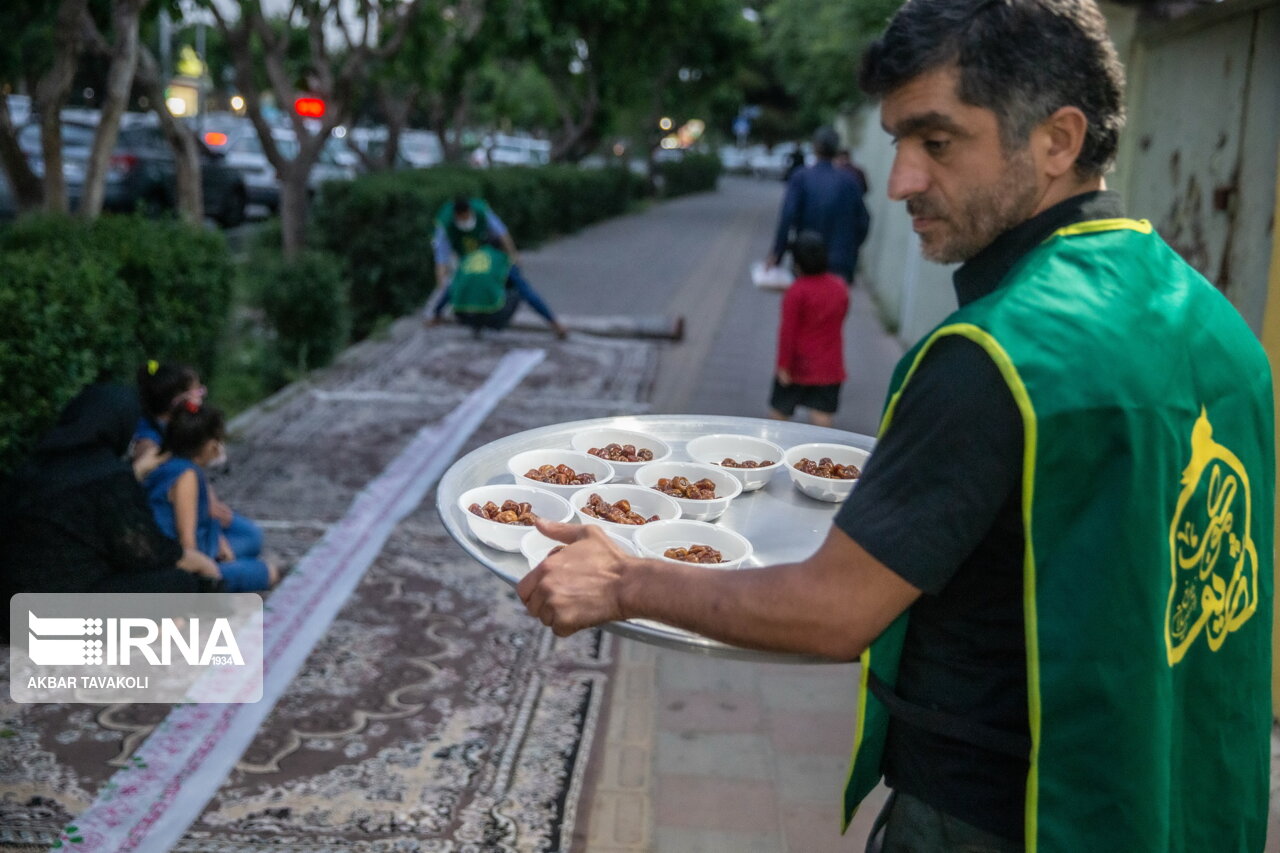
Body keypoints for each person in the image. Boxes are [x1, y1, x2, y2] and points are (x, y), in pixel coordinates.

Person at [515, 0, 1275, 850]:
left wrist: (625, 580)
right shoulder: (1215, 325)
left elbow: (834, 611)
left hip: (1003, 813)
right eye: (898, 142)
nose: (902, 179)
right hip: (1171, 800)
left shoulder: (997, 354)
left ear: (1058, 141)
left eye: (938, 142)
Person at [0, 384, 222, 630]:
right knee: (180, 583)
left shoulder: (29, 469)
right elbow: (144, 554)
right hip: (63, 610)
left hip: (12, 613)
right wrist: (200, 563)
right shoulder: (107, 474)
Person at [134, 360, 264, 564]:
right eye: (198, 392)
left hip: (197, 519)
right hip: (177, 535)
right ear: (179, 400)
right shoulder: (150, 445)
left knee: (252, 536)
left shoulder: (179, 428)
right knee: (253, 553)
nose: (202, 396)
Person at [143, 402, 278, 592]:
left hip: (194, 550)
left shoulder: (172, 465)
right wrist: (207, 570)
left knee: (250, 538)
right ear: (209, 444)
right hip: (181, 566)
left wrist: (220, 543)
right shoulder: (186, 476)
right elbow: (187, 544)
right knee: (268, 572)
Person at [426, 195, 569, 339]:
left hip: (465, 312)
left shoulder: (464, 266)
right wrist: (513, 258)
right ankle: (554, 323)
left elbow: (446, 281)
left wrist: (437, 312)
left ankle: (474, 324)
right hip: (496, 317)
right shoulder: (500, 262)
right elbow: (441, 257)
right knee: (519, 287)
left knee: (459, 286)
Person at [766, 126, 870, 284]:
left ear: (815, 146)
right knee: (834, 306)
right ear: (836, 148)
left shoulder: (801, 177)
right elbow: (864, 220)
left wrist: (777, 253)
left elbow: (787, 216)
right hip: (840, 261)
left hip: (806, 260)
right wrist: (851, 248)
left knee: (804, 303)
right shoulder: (850, 181)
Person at [769, 231, 850, 428]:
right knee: (822, 417)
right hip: (830, 365)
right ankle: (822, 457)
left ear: (797, 264)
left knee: (779, 415)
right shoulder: (839, 286)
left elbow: (787, 333)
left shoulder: (796, 292)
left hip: (798, 365)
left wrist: (783, 365)